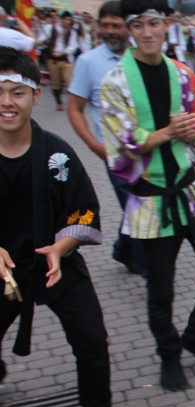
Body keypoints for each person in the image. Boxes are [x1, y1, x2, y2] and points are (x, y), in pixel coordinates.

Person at [0, 46, 129, 407]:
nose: (6, 102)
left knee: (92, 338)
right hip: (2, 268)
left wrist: (62, 245)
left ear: (36, 95)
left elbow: (85, 210)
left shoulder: (57, 153)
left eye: (16, 93)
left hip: (55, 262)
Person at [100, 0, 195, 392]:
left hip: (188, 190)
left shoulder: (182, 74)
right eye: (137, 24)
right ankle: (169, 354)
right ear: (128, 29)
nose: (146, 32)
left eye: (153, 23)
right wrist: (168, 133)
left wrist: (191, 133)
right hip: (148, 199)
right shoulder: (114, 83)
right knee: (160, 290)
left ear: (166, 25)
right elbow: (120, 145)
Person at [67, 1, 146, 278]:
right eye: (105, 25)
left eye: (116, 25)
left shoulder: (142, 56)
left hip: (150, 150)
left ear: (129, 27)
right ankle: (152, 269)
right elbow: (75, 108)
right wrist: (93, 144)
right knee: (139, 207)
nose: (110, 31)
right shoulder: (89, 62)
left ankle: (124, 249)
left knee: (142, 204)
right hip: (115, 156)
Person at [41, 10, 85, 111]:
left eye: (69, 19)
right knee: (56, 83)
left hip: (65, 60)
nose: (68, 22)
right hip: (53, 59)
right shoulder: (50, 28)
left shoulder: (72, 32)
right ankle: (58, 101)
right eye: (66, 19)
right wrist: (45, 40)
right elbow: (41, 39)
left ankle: (73, 104)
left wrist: (63, 52)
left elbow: (74, 46)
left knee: (69, 80)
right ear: (61, 20)